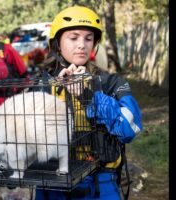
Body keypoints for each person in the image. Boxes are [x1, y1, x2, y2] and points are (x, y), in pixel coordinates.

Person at [35, 5, 143, 199]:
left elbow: (130, 128)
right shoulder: (42, 84)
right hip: (51, 183)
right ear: (57, 43)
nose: (82, 45)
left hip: (100, 183)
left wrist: (87, 96)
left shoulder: (110, 82)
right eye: (73, 37)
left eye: (88, 38)